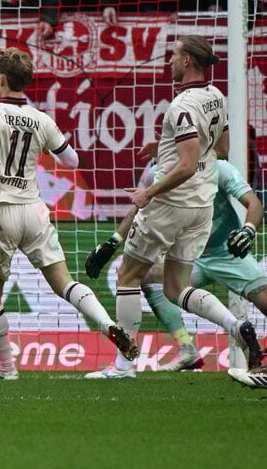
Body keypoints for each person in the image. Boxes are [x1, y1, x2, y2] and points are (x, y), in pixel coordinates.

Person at [0, 47, 137, 380]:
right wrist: (43, 143)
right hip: (34, 210)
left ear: (0, 78)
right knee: (64, 282)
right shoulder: (41, 119)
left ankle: (6, 369)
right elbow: (72, 161)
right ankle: (107, 324)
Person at [84, 35, 261, 380]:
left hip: (170, 204)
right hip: (201, 206)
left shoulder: (180, 106)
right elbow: (221, 148)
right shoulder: (217, 96)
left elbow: (186, 165)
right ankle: (236, 325)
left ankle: (123, 365)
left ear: (187, 62)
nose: (169, 61)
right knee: (174, 289)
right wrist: (165, 146)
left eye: (174, 55)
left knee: (127, 276)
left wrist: (149, 193)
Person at [85, 159, 265, 379]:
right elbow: (138, 209)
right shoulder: (158, 173)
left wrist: (248, 230)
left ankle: (123, 366)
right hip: (192, 254)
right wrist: (113, 241)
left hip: (226, 252)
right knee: (151, 278)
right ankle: (187, 347)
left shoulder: (220, 168)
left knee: (263, 299)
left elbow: (254, 203)